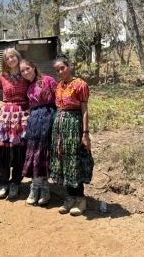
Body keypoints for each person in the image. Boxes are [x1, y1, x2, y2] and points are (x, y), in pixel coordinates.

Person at [50, 55, 94, 216]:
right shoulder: (59, 86)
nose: (60, 72)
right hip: (59, 130)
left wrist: (85, 133)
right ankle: (70, 197)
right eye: (57, 70)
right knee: (64, 161)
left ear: (69, 66)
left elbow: (84, 110)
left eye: (62, 68)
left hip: (74, 127)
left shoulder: (80, 85)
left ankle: (80, 199)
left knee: (75, 160)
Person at [20, 59, 57, 206]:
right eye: (22, 71)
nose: (25, 72)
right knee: (34, 152)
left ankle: (44, 189)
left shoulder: (48, 80)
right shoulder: (28, 87)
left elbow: (58, 99)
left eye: (27, 69)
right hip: (34, 121)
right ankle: (35, 188)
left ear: (34, 67)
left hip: (48, 118)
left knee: (43, 153)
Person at [0, 48, 30, 199]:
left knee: (19, 150)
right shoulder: (2, 77)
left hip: (23, 115)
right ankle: (3, 183)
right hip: (6, 115)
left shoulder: (26, 74)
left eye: (12, 56)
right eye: (7, 58)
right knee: (3, 151)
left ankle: (15, 183)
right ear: (5, 62)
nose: (10, 60)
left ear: (17, 57)